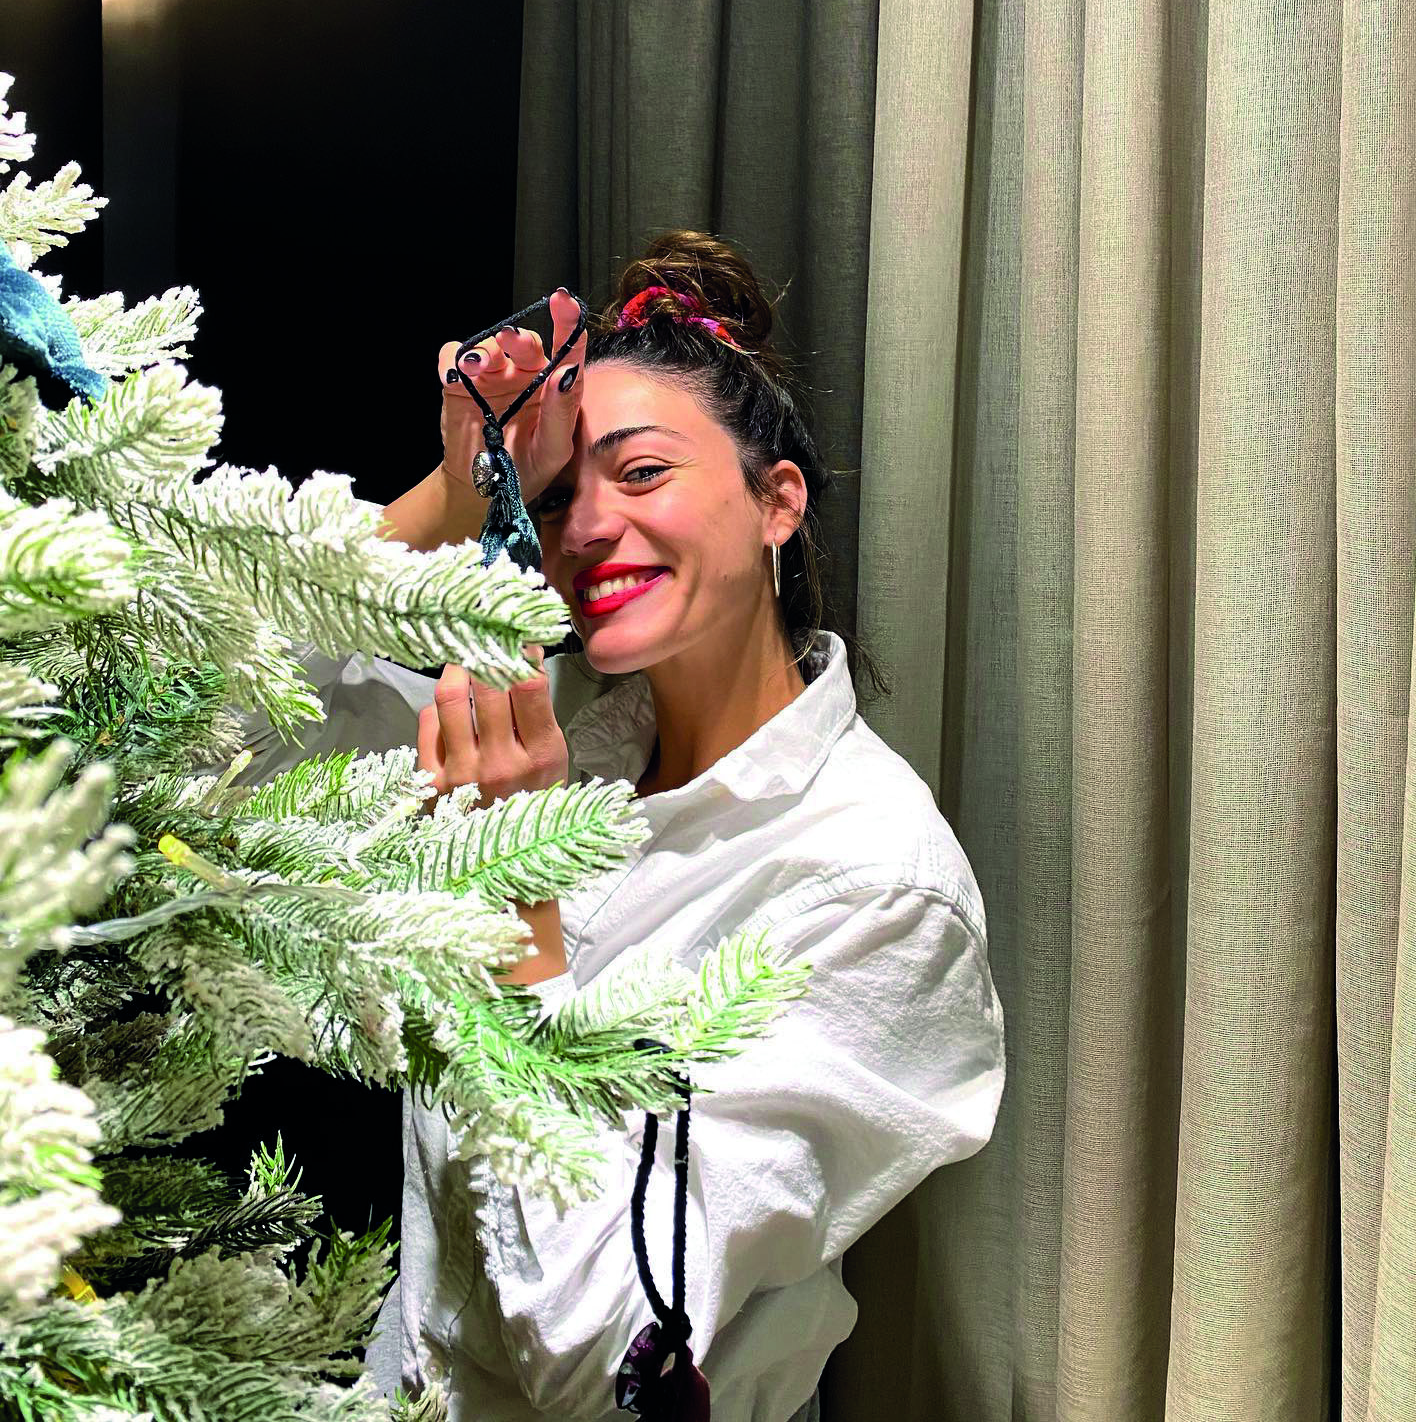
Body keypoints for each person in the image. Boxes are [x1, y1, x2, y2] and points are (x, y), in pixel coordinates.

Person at [256, 233, 1005, 1422]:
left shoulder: (874, 884)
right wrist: (454, 494)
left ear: (778, 502)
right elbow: (208, 728)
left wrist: (511, 900)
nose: (588, 527)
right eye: (555, 498)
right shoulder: (551, 729)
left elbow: (606, 1359)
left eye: (643, 472)